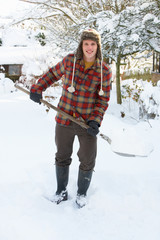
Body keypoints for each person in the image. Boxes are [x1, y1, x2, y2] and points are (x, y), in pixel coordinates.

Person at [30, 29, 112, 208]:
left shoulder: (104, 70)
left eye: (92, 44)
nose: (89, 48)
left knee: (88, 158)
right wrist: (38, 88)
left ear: (97, 47)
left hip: (86, 123)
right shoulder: (70, 61)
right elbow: (52, 74)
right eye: (86, 44)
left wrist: (95, 120)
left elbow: (103, 98)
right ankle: (61, 191)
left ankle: (82, 194)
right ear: (81, 45)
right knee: (62, 155)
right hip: (65, 119)